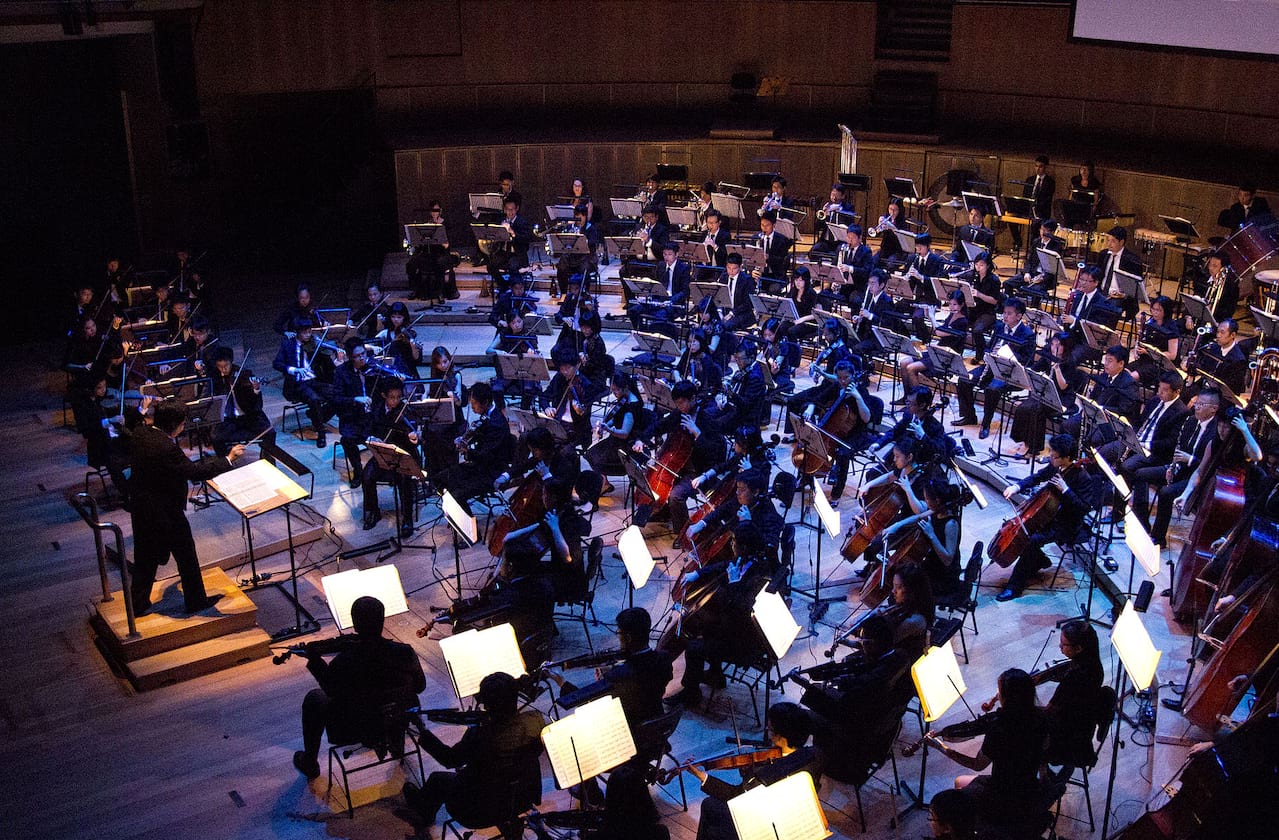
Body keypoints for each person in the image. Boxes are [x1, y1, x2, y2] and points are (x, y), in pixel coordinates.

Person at [129, 403, 245, 615]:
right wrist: (228, 459)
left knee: (145, 557)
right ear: (174, 425)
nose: (183, 427)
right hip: (165, 511)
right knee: (186, 556)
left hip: (141, 506)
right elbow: (194, 472)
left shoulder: (141, 432)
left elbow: (137, 423)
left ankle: (137, 604)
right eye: (182, 424)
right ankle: (196, 601)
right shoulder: (167, 448)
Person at [292, 595, 426, 780]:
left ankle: (310, 763)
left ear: (355, 625)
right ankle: (396, 743)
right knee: (389, 699)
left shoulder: (344, 662)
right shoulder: (405, 652)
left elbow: (331, 690)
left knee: (315, 698)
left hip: (354, 728)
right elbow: (420, 687)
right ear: (382, 621)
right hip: (398, 719)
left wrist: (314, 660)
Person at [400, 672, 545, 839]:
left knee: (438, 780)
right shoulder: (536, 722)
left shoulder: (480, 736)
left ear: (487, 705)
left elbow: (449, 759)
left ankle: (423, 816)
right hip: (520, 801)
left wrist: (422, 729)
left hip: (477, 812)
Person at [924, 668, 1051, 830]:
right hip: (1029, 791)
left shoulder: (999, 729)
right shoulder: (1041, 718)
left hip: (1002, 798)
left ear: (1007, 697)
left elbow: (977, 765)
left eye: (999, 691)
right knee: (962, 783)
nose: (997, 694)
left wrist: (940, 747)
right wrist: (1043, 780)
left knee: (950, 795)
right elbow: (1044, 755)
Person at [667, 523, 776, 706]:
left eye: (734, 542)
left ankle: (691, 694)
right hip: (736, 627)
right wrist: (698, 573)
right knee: (705, 625)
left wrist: (733, 583)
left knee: (694, 647)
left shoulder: (760, 575)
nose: (732, 545)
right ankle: (716, 675)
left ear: (745, 546)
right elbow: (726, 564)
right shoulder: (749, 559)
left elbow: (740, 610)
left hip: (745, 641)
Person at [690, 701, 824, 840]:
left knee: (709, 804)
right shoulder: (815, 756)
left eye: (770, 729)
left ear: (781, 737)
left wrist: (702, 776)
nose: (768, 732)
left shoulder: (764, 774)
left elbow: (734, 796)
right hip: (794, 817)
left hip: (761, 827)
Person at [997, 434, 1101, 601]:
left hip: (1066, 524)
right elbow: (1038, 477)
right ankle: (1039, 560)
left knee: (1031, 540)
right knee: (1024, 534)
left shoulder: (1083, 478)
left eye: (1054, 455)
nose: (1050, 457)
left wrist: (1066, 490)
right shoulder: (1055, 466)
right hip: (1047, 517)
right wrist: (1017, 486)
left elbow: (1082, 509)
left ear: (1066, 457)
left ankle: (1014, 587)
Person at [555, 607, 674, 739]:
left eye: (619, 632)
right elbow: (644, 676)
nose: (618, 634)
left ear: (628, 637)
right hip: (657, 727)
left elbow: (587, 700)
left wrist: (561, 682)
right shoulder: (664, 658)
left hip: (630, 735)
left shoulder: (617, 677)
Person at [1132, 388, 1220, 547]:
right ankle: (1142, 521)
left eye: (1201, 404)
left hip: (1198, 476)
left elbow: (1212, 464)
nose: (1196, 407)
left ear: (1213, 409)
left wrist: (1190, 459)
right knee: (1140, 474)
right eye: (1196, 403)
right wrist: (1172, 468)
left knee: (1166, 492)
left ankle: (1158, 538)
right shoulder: (1191, 421)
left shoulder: (1216, 431)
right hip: (1181, 469)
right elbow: (1179, 449)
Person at [953, 298, 1036, 439]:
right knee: (964, 379)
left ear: (1019, 316)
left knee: (993, 389)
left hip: (1010, 372)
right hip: (991, 366)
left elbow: (1027, 360)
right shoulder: (999, 327)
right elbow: (989, 346)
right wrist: (987, 354)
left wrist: (1007, 356)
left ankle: (985, 424)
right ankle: (969, 416)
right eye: (1004, 313)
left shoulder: (1027, 334)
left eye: (1009, 313)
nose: (1005, 316)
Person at [434, 382, 513, 513]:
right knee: (440, 479)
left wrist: (467, 451)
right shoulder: (487, 416)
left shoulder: (496, 424)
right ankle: (456, 514)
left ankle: (470, 528)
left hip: (492, 472)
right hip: (480, 465)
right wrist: (465, 439)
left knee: (456, 495)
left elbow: (486, 456)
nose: (472, 406)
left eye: (474, 403)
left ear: (486, 402)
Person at [1009, 332, 1086, 459]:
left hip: (1062, 398)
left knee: (1036, 410)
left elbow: (1063, 387)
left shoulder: (1070, 362)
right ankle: (1023, 440)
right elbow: (1033, 370)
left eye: (1058, 345)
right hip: (1045, 393)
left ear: (1065, 347)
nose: (1054, 347)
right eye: (1053, 344)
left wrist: (1057, 369)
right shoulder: (1048, 356)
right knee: (1023, 407)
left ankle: (1033, 447)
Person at [360, 381, 422, 539]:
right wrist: (372, 439)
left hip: (403, 454)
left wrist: (414, 437)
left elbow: (416, 435)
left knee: (404, 478)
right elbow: (367, 429)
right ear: (384, 396)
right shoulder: (377, 409)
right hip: (383, 454)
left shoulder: (406, 410)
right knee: (367, 476)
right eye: (392, 398)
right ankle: (373, 511)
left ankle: (407, 519)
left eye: (399, 397)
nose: (395, 401)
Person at [1044, 620, 1106, 771]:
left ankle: (1043, 781)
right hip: (1083, 727)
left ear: (1078, 648)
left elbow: (1049, 712)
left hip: (1067, 739)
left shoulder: (1074, 679)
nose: (1060, 647)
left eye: (1063, 645)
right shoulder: (1095, 667)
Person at [273, 316, 337, 448]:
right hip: (297, 384)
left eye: (310, 331)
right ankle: (321, 433)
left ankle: (317, 416)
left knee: (337, 394)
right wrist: (294, 369)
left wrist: (337, 358)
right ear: (297, 332)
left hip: (313, 381)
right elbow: (277, 363)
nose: (308, 335)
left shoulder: (314, 343)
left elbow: (328, 364)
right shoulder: (288, 345)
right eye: (305, 332)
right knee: (313, 399)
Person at [1063, 344, 1142, 447]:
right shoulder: (1104, 375)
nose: (1105, 364)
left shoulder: (1129, 384)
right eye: (1105, 360)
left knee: (1094, 439)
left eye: (1110, 361)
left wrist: (1103, 409)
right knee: (1067, 425)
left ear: (1121, 363)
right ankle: (1069, 456)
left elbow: (1124, 410)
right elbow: (1094, 397)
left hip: (1110, 422)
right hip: (1094, 414)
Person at [209, 346, 275, 458]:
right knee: (216, 438)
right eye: (220, 367)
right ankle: (226, 462)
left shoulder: (244, 374)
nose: (223, 370)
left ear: (231, 362)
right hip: (228, 419)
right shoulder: (215, 377)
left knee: (270, 432)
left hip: (248, 416)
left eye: (226, 366)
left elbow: (257, 405)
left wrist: (255, 389)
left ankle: (267, 461)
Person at [584, 372, 644, 490]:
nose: (614, 393)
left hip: (626, 444)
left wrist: (608, 429)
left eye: (616, 390)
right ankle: (604, 483)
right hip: (616, 439)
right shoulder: (624, 398)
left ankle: (604, 483)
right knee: (590, 453)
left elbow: (624, 434)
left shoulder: (630, 408)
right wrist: (604, 424)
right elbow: (616, 417)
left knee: (594, 456)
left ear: (625, 387)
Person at [330, 337, 376, 487]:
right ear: (350, 357)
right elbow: (336, 399)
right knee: (347, 439)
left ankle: (383, 469)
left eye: (363, 353)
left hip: (373, 417)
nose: (362, 358)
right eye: (357, 356)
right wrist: (356, 399)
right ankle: (358, 470)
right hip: (353, 418)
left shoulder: (374, 367)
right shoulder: (341, 372)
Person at [902, 291, 968, 393]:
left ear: (962, 304)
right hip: (937, 352)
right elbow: (939, 328)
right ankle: (907, 397)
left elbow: (940, 332)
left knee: (911, 368)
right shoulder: (951, 315)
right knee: (904, 362)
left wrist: (932, 317)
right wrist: (928, 315)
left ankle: (918, 401)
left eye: (954, 304)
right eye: (950, 304)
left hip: (947, 357)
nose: (951, 307)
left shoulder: (962, 322)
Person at [1007, 217, 1066, 302]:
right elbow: (1029, 260)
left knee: (1035, 291)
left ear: (1052, 232)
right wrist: (1027, 272)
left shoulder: (1057, 246)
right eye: (1042, 229)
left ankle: (1034, 311)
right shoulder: (1036, 242)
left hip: (1046, 278)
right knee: (1008, 283)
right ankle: (1013, 305)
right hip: (1032, 273)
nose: (1043, 233)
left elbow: (1054, 269)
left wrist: (1042, 278)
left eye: (1046, 230)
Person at [1131, 295, 1182, 387]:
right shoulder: (1151, 322)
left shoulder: (1172, 329)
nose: (1154, 312)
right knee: (1123, 374)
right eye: (1153, 309)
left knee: (1132, 377)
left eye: (1158, 310)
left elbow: (1172, 355)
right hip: (1145, 360)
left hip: (1159, 366)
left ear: (1166, 311)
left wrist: (1149, 353)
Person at [964, 251, 1004, 363]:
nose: (978, 268)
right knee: (959, 322)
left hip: (987, 312)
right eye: (976, 265)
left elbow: (994, 301)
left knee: (977, 330)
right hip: (972, 308)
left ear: (988, 265)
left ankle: (979, 355)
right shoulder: (971, 275)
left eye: (981, 265)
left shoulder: (994, 280)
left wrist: (979, 294)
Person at [1193, 318, 1248, 397]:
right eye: (1218, 332)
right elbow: (1203, 368)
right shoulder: (1213, 347)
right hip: (1205, 387)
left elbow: (1232, 388)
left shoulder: (1239, 359)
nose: (1218, 335)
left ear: (1233, 335)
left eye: (1222, 332)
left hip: (1221, 396)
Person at [1098, 226, 1143, 318]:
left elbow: (1135, 286)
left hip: (1120, 298)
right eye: (1108, 240)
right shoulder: (1103, 254)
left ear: (1121, 242)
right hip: (1101, 292)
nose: (1109, 244)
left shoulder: (1132, 260)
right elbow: (1097, 274)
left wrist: (1123, 295)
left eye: (1113, 241)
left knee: (1109, 310)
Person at [757, 209, 793, 279]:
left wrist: (768, 257)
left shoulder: (782, 240)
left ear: (774, 225)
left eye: (767, 225)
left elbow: (782, 261)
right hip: (759, 273)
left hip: (775, 275)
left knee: (773, 289)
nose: (764, 228)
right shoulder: (756, 238)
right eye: (762, 225)